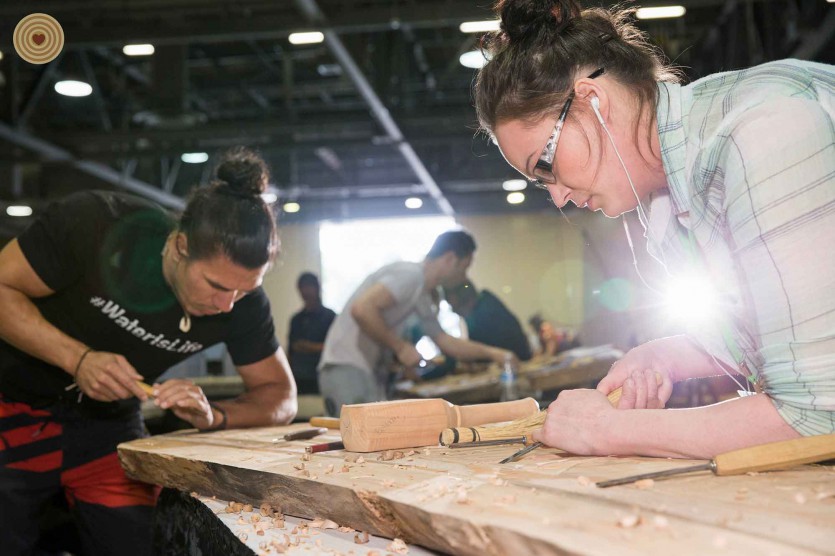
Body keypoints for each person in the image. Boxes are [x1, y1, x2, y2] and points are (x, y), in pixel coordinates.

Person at [474, 0, 834, 458]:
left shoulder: (763, 133)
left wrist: (608, 431)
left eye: (544, 166)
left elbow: (817, 413)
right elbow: (777, 342)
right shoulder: (670, 201)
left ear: (592, 101)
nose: (559, 196)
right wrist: (668, 356)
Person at [0, 147, 297, 555]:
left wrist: (216, 415)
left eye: (243, 290)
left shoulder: (243, 304)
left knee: (140, 544)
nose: (227, 303)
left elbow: (280, 396)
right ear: (179, 246)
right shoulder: (95, 224)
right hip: (13, 407)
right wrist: (78, 359)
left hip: (107, 426)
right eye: (216, 285)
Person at [318, 230, 516, 416]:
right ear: (450, 259)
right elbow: (361, 309)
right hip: (346, 367)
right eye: (464, 268)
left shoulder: (421, 295)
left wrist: (494, 353)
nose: (464, 277)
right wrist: (400, 347)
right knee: (361, 441)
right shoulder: (410, 275)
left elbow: (445, 341)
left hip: (362, 370)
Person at [444, 279, 532, 361]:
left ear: (469, 301)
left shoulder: (485, 312)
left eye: (456, 308)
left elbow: (479, 351)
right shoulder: (485, 303)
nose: (457, 313)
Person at [287, 272, 336, 395]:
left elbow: (335, 348)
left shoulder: (330, 317)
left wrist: (309, 347)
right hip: (300, 376)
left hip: (323, 375)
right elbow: (291, 351)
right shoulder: (296, 319)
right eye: (302, 287)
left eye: (309, 286)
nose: (306, 291)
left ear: (317, 287)